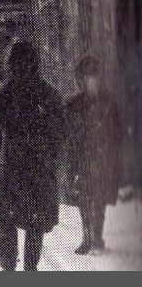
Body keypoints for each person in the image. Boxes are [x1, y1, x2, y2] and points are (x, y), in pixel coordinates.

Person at [0, 39, 63, 271]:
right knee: (32, 225)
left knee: (8, 223)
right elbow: (60, 134)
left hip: (12, 171)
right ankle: (29, 271)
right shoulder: (48, 94)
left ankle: (9, 271)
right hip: (36, 172)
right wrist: (49, 156)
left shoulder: (3, 94)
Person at [64, 55, 122, 255]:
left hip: (103, 158)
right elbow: (68, 134)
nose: (91, 81)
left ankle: (97, 234)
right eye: (87, 77)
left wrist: (114, 160)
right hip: (81, 158)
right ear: (80, 80)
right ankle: (87, 235)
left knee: (100, 197)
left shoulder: (108, 103)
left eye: (94, 76)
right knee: (83, 196)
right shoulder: (72, 105)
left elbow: (116, 135)